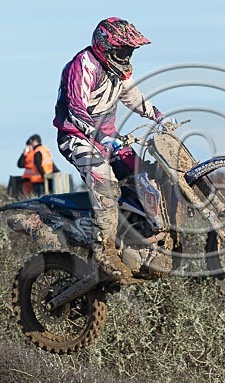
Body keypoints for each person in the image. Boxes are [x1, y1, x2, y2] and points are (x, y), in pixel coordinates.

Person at [53, 17, 170, 280]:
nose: (126, 56)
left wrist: (158, 117)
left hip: (108, 137)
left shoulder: (118, 71)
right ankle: (104, 249)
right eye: (122, 50)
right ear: (105, 46)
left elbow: (132, 96)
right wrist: (100, 137)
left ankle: (148, 239)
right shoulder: (84, 65)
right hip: (76, 137)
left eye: (129, 51)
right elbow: (75, 109)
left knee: (143, 176)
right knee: (104, 181)